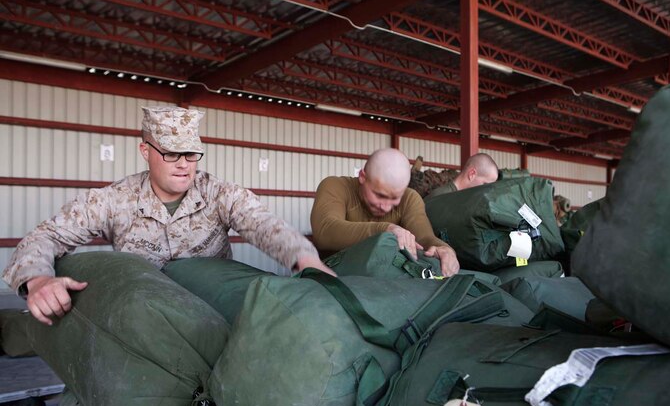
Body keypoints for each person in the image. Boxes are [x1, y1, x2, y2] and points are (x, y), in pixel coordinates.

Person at [2, 106, 334, 326]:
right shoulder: (114, 200)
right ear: (145, 150)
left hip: (212, 316)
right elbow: (47, 235)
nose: (184, 163)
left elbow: (263, 223)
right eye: (171, 152)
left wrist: (305, 259)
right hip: (146, 323)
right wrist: (38, 279)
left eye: (191, 153)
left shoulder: (218, 193)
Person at [310, 148, 459, 276]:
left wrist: (444, 249)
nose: (386, 207)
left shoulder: (409, 198)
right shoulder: (335, 186)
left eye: (395, 198)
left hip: (383, 285)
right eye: (379, 195)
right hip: (332, 281)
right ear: (362, 176)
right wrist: (386, 229)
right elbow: (325, 231)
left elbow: (425, 238)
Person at [424, 152, 499, 201]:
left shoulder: (463, 199)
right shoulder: (441, 197)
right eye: (485, 184)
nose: (486, 191)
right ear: (472, 174)